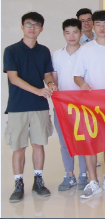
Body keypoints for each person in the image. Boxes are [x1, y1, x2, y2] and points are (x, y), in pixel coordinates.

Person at [4, 12, 56, 203]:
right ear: (22, 27)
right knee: (18, 147)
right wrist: (37, 90)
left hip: (39, 106)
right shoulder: (11, 50)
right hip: (18, 106)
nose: (32, 28)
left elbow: (47, 74)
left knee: (38, 144)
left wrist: (50, 84)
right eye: (28, 24)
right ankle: (18, 184)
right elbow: (13, 78)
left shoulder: (44, 51)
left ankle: (38, 181)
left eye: (36, 25)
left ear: (41, 29)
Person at [73, 10, 105, 199]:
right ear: (93, 26)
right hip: (90, 104)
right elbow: (77, 76)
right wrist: (82, 84)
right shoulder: (85, 49)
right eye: (98, 24)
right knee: (90, 141)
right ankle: (93, 181)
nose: (102, 27)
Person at [51, 18, 88, 191]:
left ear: (81, 33)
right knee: (65, 141)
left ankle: (83, 174)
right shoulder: (57, 55)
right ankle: (69, 174)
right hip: (62, 105)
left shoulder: (87, 52)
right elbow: (54, 80)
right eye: (67, 32)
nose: (71, 36)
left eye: (75, 32)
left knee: (83, 140)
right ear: (63, 34)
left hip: (82, 105)